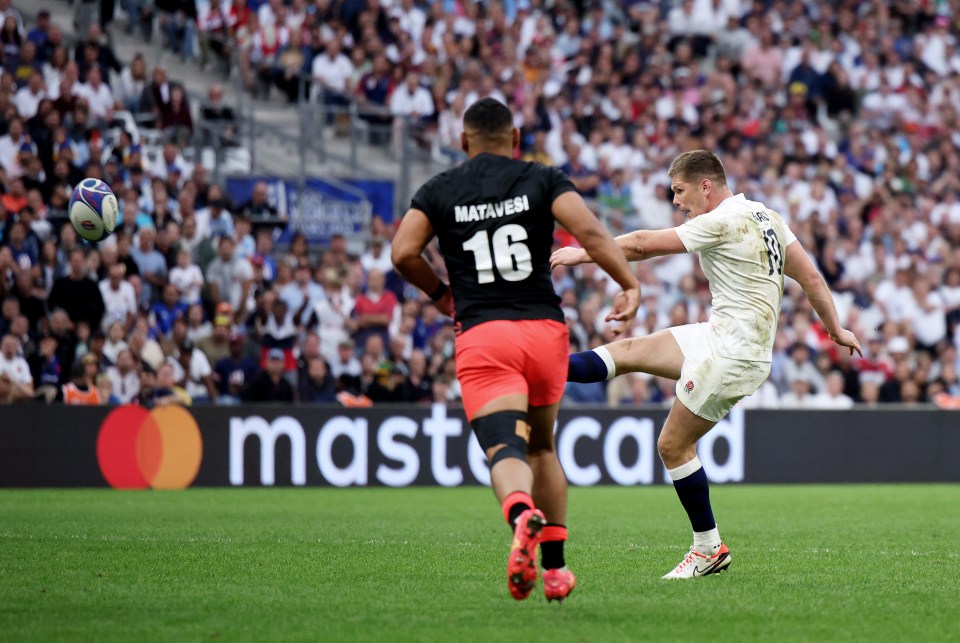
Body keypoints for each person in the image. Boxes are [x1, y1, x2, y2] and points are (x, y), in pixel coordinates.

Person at [553, 149, 862, 579]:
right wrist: (836, 329)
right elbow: (810, 278)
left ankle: (708, 549)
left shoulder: (721, 220)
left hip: (735, 353)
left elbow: (642, 244)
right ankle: (541, 367)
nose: (677, 201)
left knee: (672, 446)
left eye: (679, 191)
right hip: (720, 335)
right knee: (625, 353)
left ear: (705, 185)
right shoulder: (767, 216)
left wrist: (584, 252)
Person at [391, 97, 640, 602]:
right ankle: (555, 569)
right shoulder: (541, 178)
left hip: (486, 335)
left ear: (463, 142)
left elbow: (402, 252)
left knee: (506, 448)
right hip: (545, 331)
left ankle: (522, 515)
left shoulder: (439, 189)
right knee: (543, 447)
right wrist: (628, 283)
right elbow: (590, 231)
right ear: (516, 139)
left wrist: (442, 296)